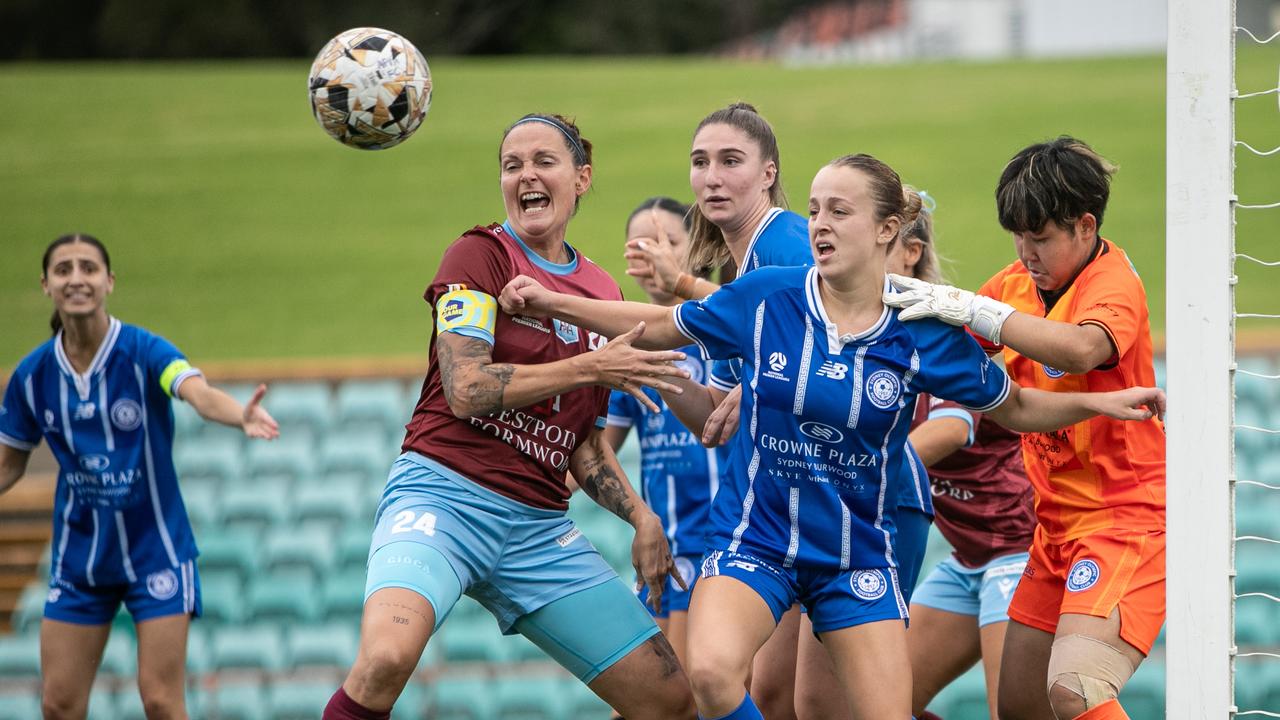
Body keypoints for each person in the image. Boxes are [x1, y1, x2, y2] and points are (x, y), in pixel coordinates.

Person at [500, 152, 1165, 720]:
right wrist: (555, 299)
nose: (818, 223)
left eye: (839, 211)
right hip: (757, 539)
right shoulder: (767, 296)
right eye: (815, 209)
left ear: (887, 229)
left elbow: (1017, 403)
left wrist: (1101, 404)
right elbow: (661, 323)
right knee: (711, 675)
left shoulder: (922, 327)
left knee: (864, 708)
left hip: (858, 554)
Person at [322, 113, 699, 720]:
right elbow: (467, 387)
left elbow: (583, 444)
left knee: (668, 700)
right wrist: (590, 369)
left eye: (543, 162)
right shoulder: (479, 255)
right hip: (444, 496)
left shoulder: (601, 292)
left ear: (582, 177)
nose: (526, 175)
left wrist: (640, 517)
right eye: (511, 165)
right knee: (385, 660)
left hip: (537, 527)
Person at [884, 137, 1166, 720]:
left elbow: (1085, 349)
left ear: (1085, 227)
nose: (1026, 251)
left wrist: (976, 311)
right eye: (1018, 235)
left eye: (1040, 237)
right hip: (1050, 528)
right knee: (1020, 709)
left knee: (1076, 690)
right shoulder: (1012, 285)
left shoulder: (1111, 283)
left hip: (1124, 520)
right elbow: (941, 350)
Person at [0, 233, 280, 720]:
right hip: (80, 561)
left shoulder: (143, 350)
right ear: (46, 285)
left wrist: (239, 415)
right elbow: (8, 464)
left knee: (161, 701)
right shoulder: (32, 376)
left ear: (109, 281)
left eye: (88, 268)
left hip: (158, 554)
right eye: (63, 269)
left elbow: (194, 391)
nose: (76, 278)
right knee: (58, 704)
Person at [793, 194, 1037, 720]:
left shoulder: (941, 330)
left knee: (1013, 712)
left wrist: (857, 461)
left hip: (1019, 550)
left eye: (885, 239)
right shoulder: (860, 335)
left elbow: (950, 429)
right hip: (966, 559)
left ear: (910, 253)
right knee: (873, 705)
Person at [625, 101, 812, 720]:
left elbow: (840, 348)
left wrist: (554, 302)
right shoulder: (743, 268)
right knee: (764, 694)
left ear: (768, 172)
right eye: (700, 162)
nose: (711, 176)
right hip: (779, 517)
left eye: (731, 161)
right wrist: (662, 368)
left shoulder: (784, 243)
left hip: (844, 504)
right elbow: (710, 417)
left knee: (796, 698)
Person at [605, 197, 716, 669]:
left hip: (719, 540)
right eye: (643, 246)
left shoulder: (720, 330)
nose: (655, 255)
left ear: (697, 252)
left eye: (669, 242)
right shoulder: (628, 346)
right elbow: (597, 450)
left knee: (699, 688)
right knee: (653, 699)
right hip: (661, 547)